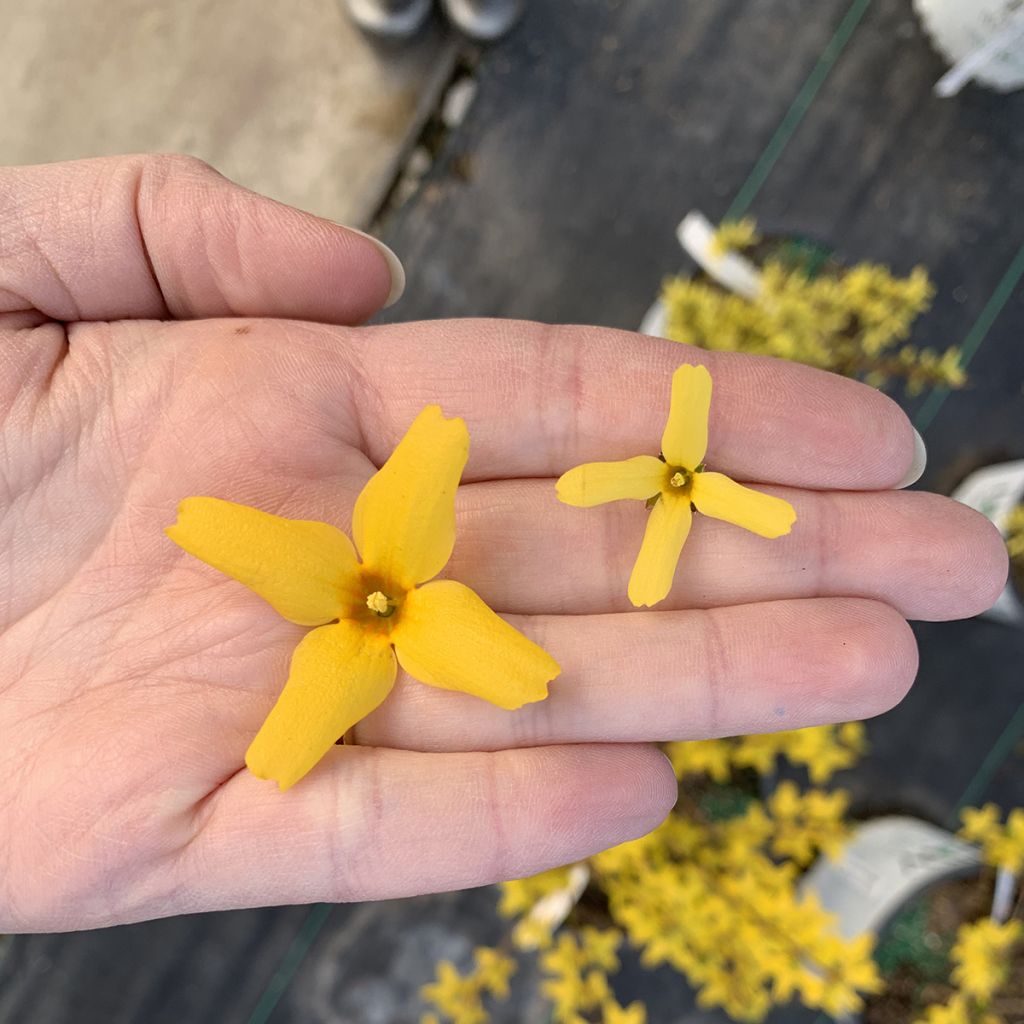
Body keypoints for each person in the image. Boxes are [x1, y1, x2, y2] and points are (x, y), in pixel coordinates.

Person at [0, 154, 1007, 934]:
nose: (378, 607)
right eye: (375, 608)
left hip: (405, 587)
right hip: (377, 611)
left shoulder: (391, 570)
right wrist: (249, 582)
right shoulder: (349, 610)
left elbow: (420, 513)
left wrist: (441, 593)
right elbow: (293, 627)